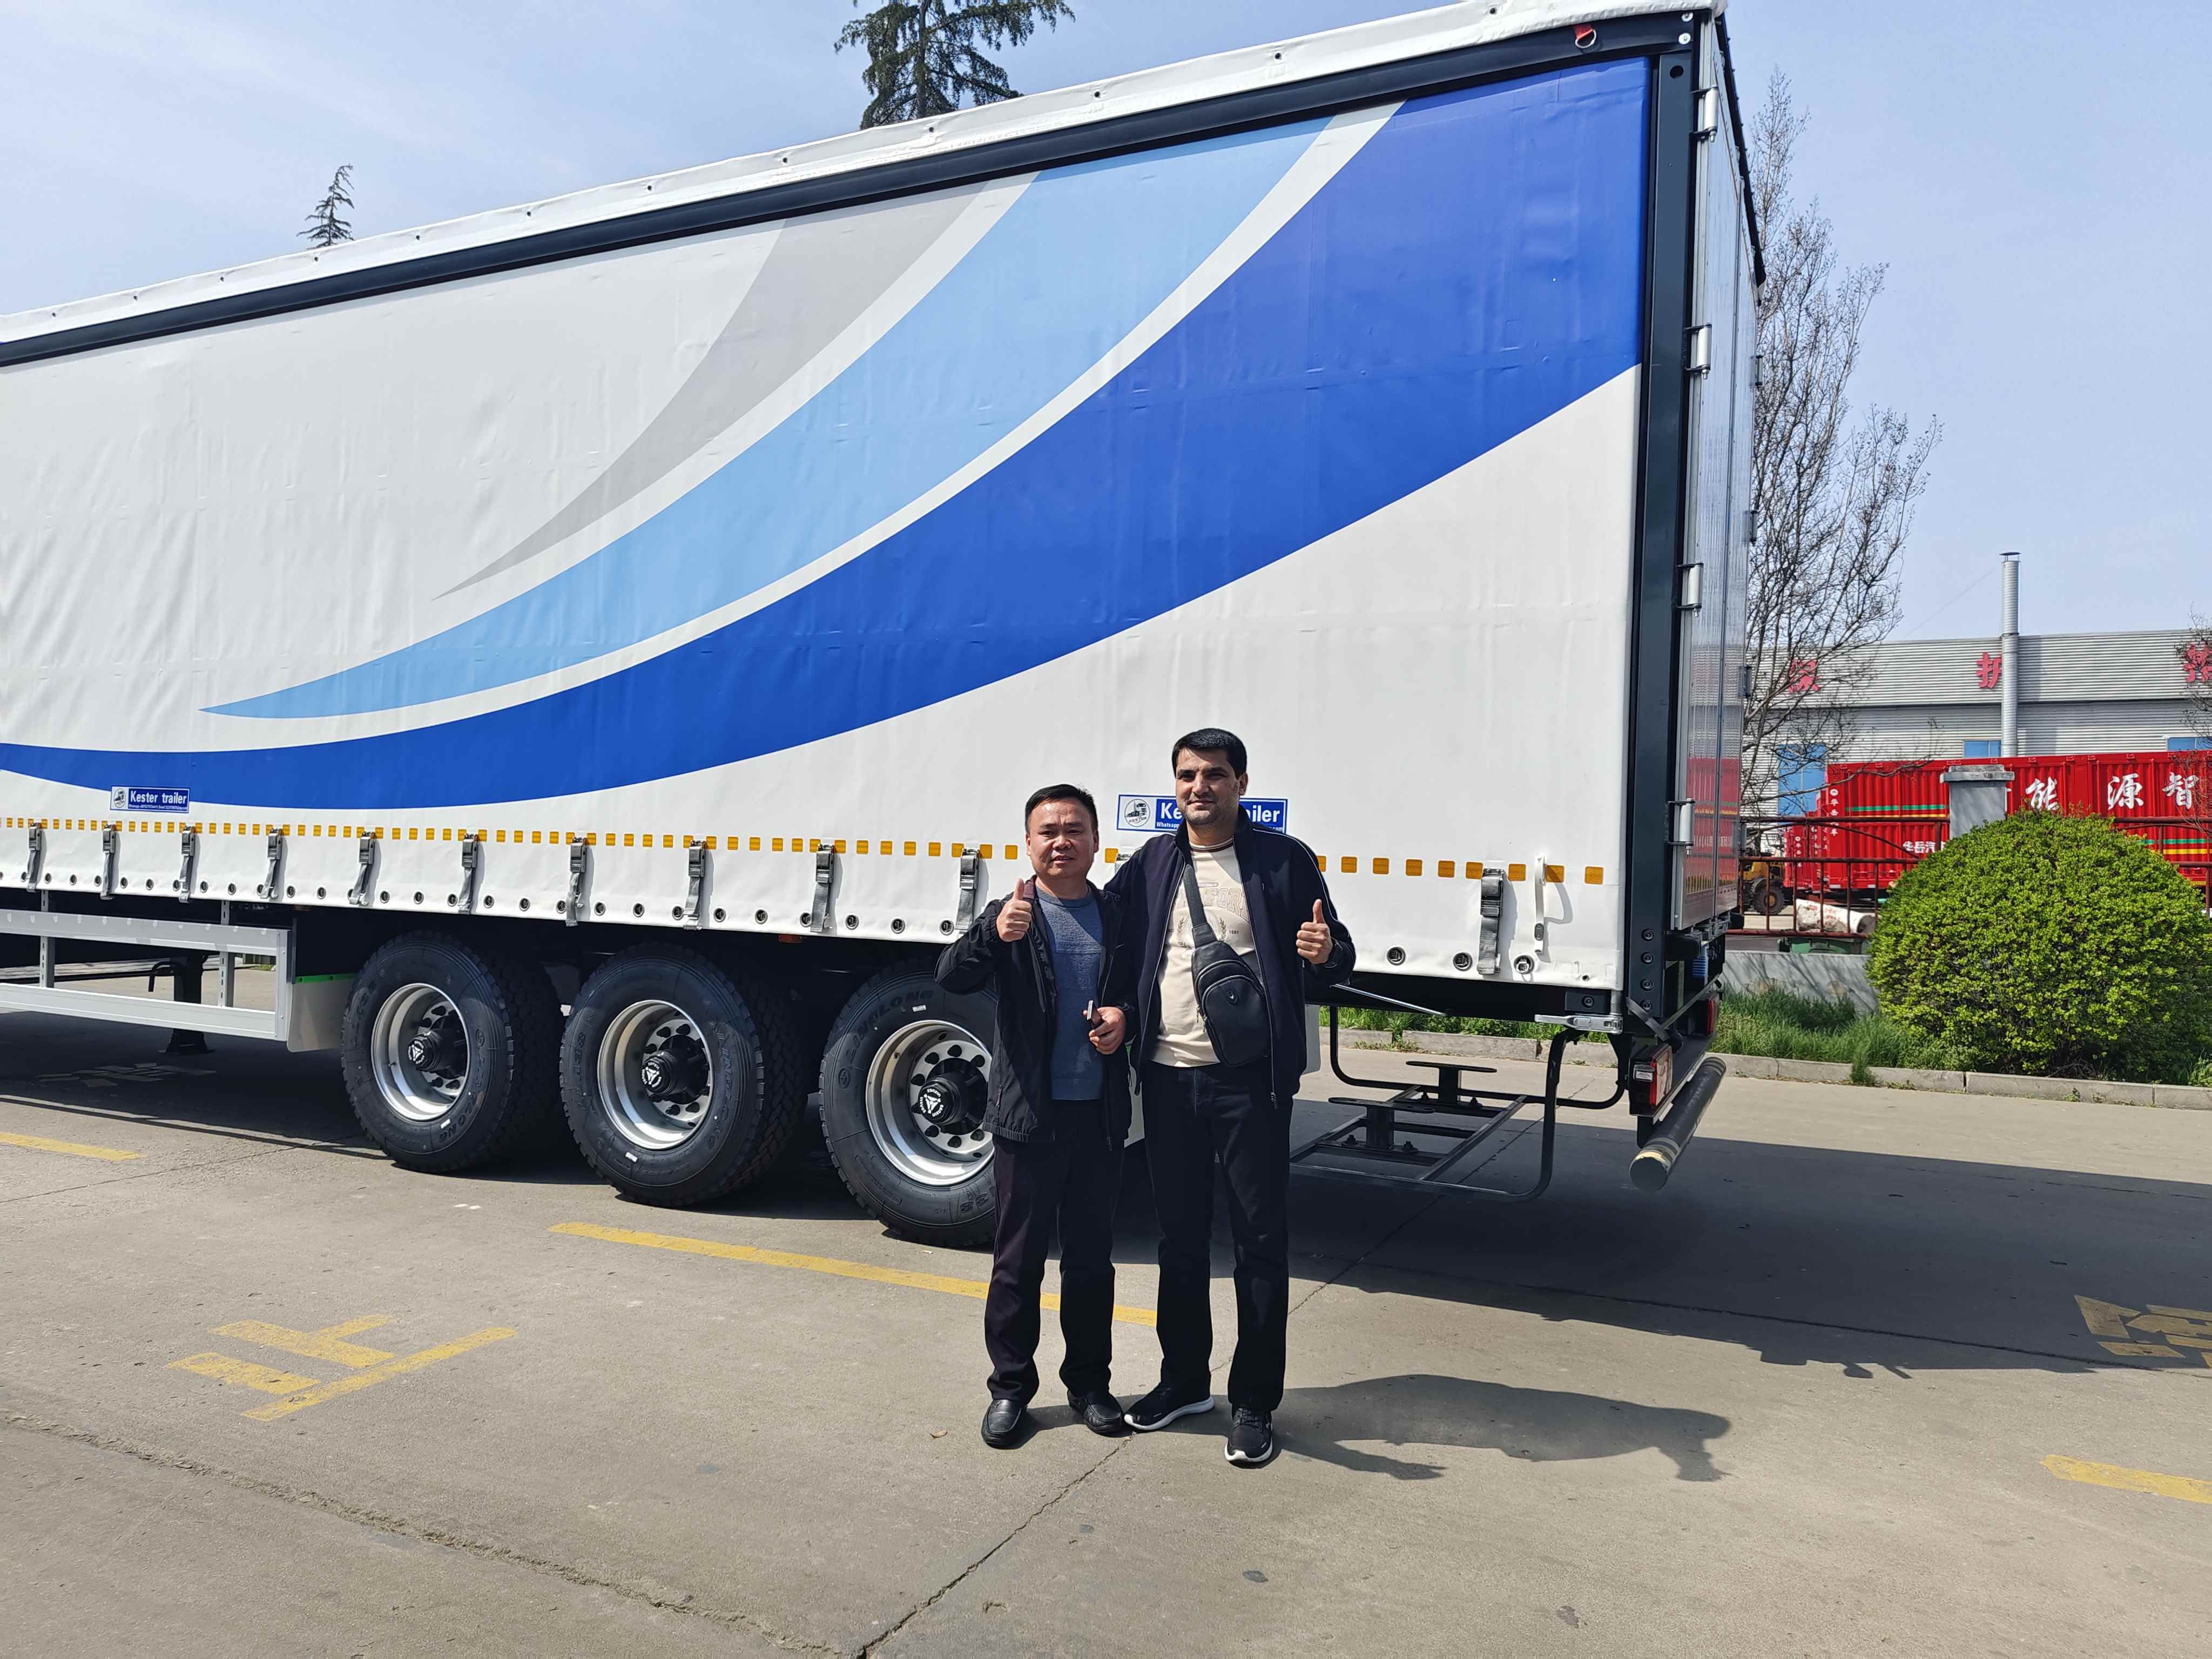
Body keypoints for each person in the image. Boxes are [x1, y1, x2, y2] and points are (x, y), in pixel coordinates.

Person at [1107, 728, 1353, 1468]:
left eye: (1214, 774)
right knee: (1179, 1241)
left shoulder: (1283, 860)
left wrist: (1327, 955)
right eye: (1187, 775)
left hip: (1251, 1084)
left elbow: (1335, 951)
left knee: (1260, 1243)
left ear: (1241, 783)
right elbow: (1109, 940)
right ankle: (1184, 1381)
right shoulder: (1151, 862)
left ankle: (1253, 1402)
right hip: (1167, 1077)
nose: (1199, 787)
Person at [937, 784, 1137, 1449]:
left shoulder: (1118, 914)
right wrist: (992, 937)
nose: (1061, 842)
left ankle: (1089, 1386)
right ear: (1027, 844)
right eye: (1048, 831)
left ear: (1095, 841)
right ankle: (1009, 1390)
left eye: (1074, 830)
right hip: (1028, 1120)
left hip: (1098, 1118)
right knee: (1017, 1264)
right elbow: (950, 976)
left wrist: (1125, 1019)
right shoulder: (1011, 913)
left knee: (1090, 1264)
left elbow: (1143, 995)